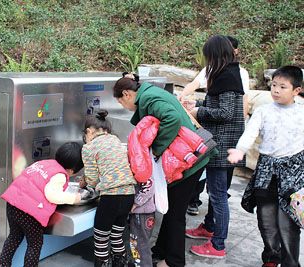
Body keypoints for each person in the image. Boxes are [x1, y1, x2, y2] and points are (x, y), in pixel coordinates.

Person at [113, 72, 212, 267]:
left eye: (121, 102)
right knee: (171, 210)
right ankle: (161, 250)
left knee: (175, 213)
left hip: (189, 160)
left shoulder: (149, 98)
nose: (123, 107)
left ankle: (174, 261)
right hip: (187, 157)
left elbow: (172, 119)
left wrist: (156, 149)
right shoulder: (149, 93)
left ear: (126, 94)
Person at [227, 65, 304, 267]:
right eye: (274, 85)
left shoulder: (302, 114)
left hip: (293, 174)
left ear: (296, 90)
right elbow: (250, 132)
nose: (276, 90)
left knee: (288, 224)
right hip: (266, 171)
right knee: (266, 221)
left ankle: (290, 263)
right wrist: (240, 149)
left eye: (283, 87)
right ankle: (271, 256)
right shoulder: (263, 111)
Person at [183, 34, 245, 259]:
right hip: (224, 143)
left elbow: (226, 113)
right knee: (215, 191)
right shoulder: (227, 73)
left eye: (208, 56)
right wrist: (197, 103)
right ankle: (209, 227)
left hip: (223, 145)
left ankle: (217, 244)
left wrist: (199, 112)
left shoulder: (227, 76)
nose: (206, 60)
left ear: (216, 55)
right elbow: (219, 105)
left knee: (218, 194)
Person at [0, 142, 84, 267]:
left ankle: (2, 264)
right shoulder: (60, 175)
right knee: (35, 244)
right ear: (72, 170)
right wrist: (74, 198)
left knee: (14, 236)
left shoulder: (44, 163)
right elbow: (52, 195)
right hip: (28, 212)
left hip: (12, 203)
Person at [80, 109, 136, 267]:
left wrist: (84, 181)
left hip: (111, 197)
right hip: (128, 194)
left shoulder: (88, 148)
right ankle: (121, 264)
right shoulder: (116, 141)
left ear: (89, 131)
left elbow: (92, 178)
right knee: (117, 236)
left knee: (101, 238)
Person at [129, 170, 156, 267]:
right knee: (138, 244)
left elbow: (149, 187)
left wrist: (136, 202)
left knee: (141, 245)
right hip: (140, 212)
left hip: (142, 213)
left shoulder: (142, 163)